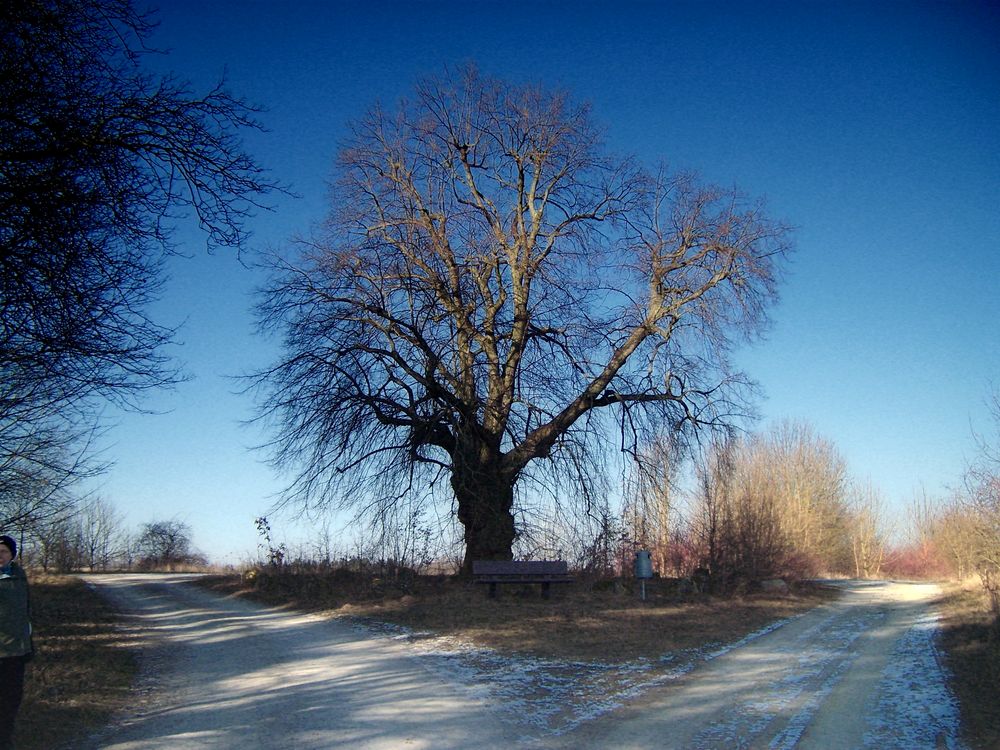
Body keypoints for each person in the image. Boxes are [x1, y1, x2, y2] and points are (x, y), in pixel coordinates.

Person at [0, 535, 31, 750]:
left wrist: (29, 644)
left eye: (3, 551)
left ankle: (5, 741)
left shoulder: (19, 576)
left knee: (11, 701)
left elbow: (26, 614)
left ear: (12, 554)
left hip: (16, 652)